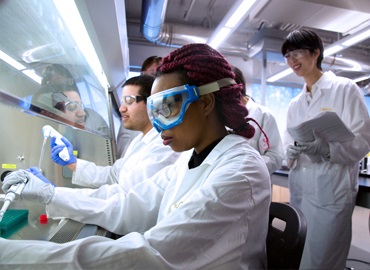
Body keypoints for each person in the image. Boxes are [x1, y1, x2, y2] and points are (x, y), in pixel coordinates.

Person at [1, 43, 271, 269]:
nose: (158, 124)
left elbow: (149, 255)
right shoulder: (191, 159)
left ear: (206, 102)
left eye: (167, 108)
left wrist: (12, 255)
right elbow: (128, 203)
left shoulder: (239, 172)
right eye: (154, 110)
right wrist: (51, 195)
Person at [281, 29, 370, 269]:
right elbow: (289, 141)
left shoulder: (345, 89)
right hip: (301, 192)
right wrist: (290, 153)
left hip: (331, 195)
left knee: (323, 262)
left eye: (297, 53)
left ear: (315, 52)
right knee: (300, 260)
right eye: (287, 56)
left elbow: (363, 141)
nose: (292, 61)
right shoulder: (295, 103)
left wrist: (328, 149)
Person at [54, 75, 180, 190]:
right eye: (122, 102)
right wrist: (73, 163)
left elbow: (128, 195)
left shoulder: (163, 146)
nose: (121, 108)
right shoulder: (138, 141)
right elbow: (114, 174)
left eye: (129, 101)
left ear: (151, 103)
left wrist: (56, 196)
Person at [233, 66, 284, 174]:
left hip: (255, 184)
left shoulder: (264, 115)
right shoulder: (220, 115)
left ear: (239, 88)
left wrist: (247, 168)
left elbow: (276, 156)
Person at [116, 56, 163, 158]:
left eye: (159, 71)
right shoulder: (135, 136)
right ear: (143, 73)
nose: (156, 76)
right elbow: (121, 165)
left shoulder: (162, 142)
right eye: (152, 72)